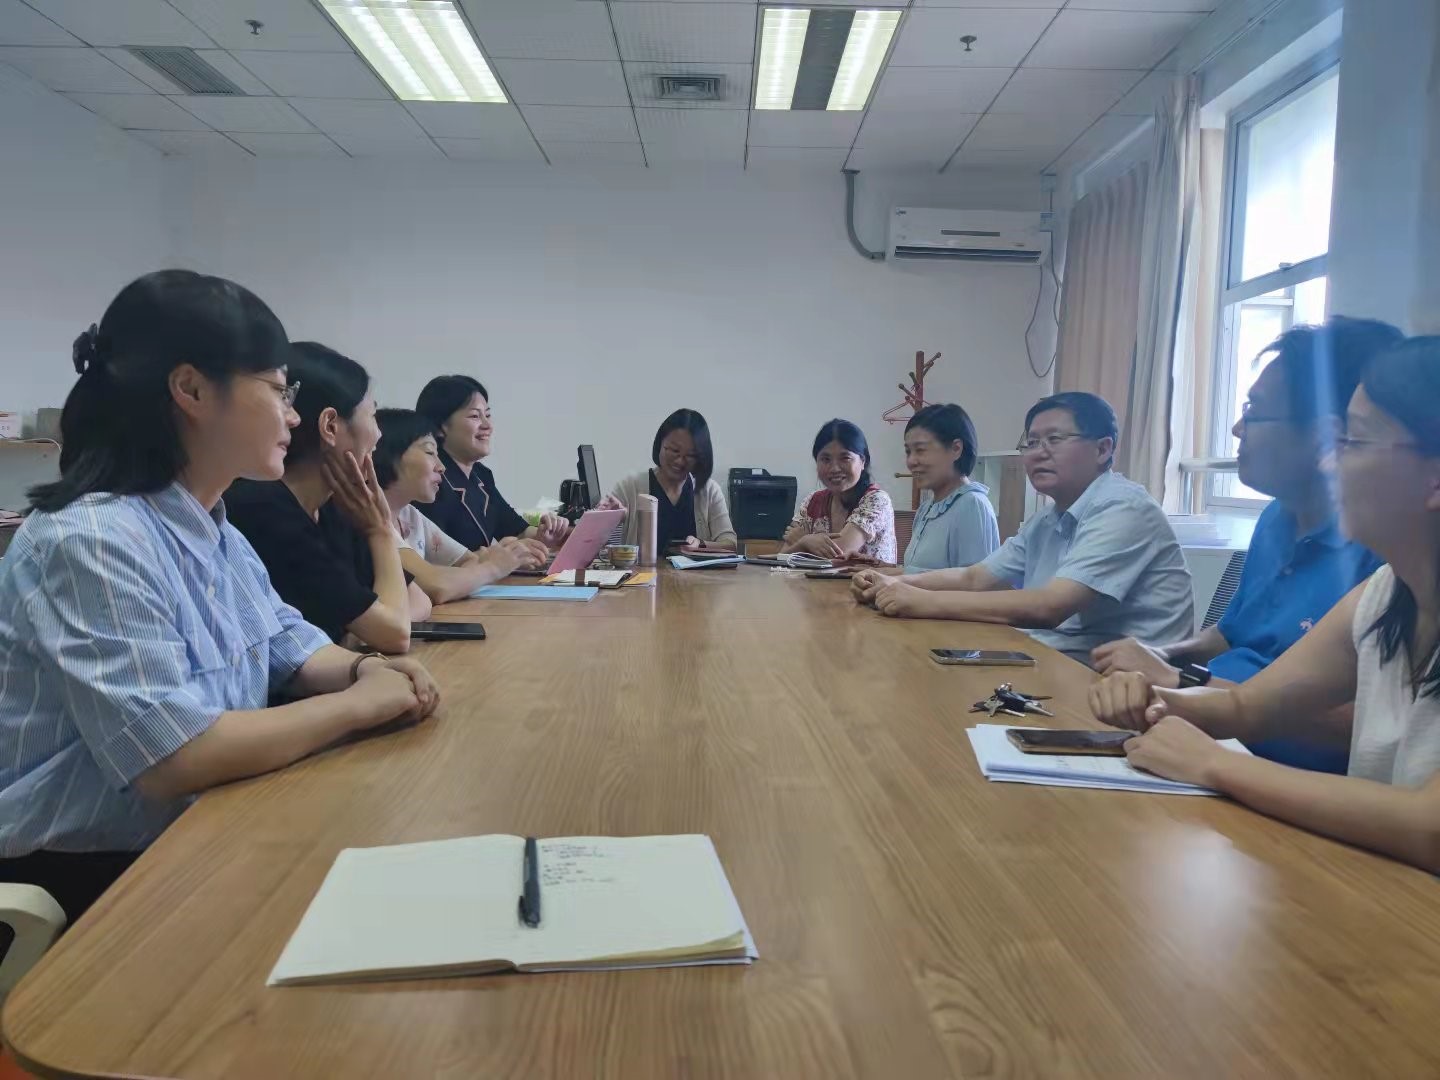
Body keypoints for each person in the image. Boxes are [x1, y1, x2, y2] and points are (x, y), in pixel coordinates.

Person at [0, 272, 439, 922]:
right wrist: (357, 704)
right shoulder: (91, 538)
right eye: (278, 389)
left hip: (196, 828)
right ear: (193, 390)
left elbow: (287, 645)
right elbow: (173, 756)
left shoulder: (214, 527)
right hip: (81, 874)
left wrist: (364, 668)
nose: (292, 415)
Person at [1104, 337, 1440, 873]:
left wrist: (1215, 765)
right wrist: (1158, 697)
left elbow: (1430, 826)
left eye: (1353, 441)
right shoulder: (1384, 593)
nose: (1331, 461)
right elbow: (1249, 707)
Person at [1090, 317, 1401, 772]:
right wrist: (1162, 660)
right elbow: (1233, 637)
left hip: (1276, 769)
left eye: (1253, 412)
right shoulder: (1276, 517)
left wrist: (1181, 682)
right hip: (1210, 736)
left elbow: (1369, 728)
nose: (1237, 429)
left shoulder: (1389, 555)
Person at [853, 392, 1192, 663]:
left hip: (1127, 687)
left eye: (1054, 439)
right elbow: (975, 577)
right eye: (1031, 443)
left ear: (1102, 449)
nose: (1037, 454)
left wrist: (921, 601)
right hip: (1055, 659)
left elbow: (1049, 607)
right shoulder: (1047, 518)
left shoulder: (1122, 507)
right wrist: (893, 582)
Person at [227, 342, 431, 653]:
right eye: (372, 416)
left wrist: (358, 634)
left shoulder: (338, 506)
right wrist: (380, 532)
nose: (379, 435)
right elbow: (396, 632)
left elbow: (418, 602)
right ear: (330, 426)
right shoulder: (264, 510)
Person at [373, 408, 543, 604]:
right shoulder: (372, 519)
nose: (441, 467)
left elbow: (469, 561)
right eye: (429, 452)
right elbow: (437, 586)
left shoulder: (409, 514)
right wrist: (493, 567)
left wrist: (497, 557)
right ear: (388, 455)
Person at [414, 375, 568, 556]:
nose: (487, 425)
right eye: (475, 416)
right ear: (440, 427)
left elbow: (515, 529)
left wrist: (544, 534)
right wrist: (494, 558)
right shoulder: (431, 480)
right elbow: (434, 557)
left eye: (487, 415)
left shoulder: (481, 475)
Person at [608, 409, 736, 551]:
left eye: (690, 455)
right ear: (660, 444)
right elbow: (595, 540)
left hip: (695, 567)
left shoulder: (709, 491)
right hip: (644, 567)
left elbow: (730, 543)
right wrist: (611, 517)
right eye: (674, 450)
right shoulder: (630, 487)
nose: (680, 461)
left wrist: (701, 544)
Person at [900, 403, 999, 573]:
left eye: (920, 450)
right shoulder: (926, 509)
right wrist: (880, 572)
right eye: (908, 451)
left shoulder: (972, 505)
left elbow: (974, 584)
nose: (911, 461)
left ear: (956, 449)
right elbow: (917, 572)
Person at [781, 419, 897, 563]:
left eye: (845, 458)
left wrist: (803, 541)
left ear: (863, 461)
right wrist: (805, 542)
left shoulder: (876, 499)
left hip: (868, 578)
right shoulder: (812, 501)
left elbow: (839, 554)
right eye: (826, 459)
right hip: (813, 579)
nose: (834, 468)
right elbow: (782, 558)